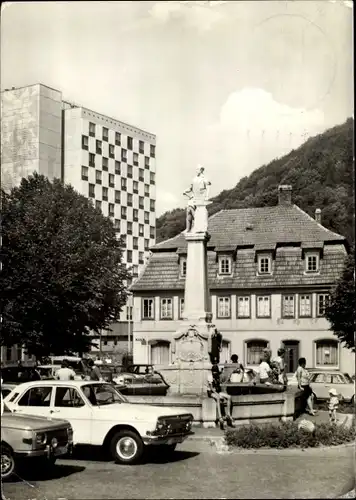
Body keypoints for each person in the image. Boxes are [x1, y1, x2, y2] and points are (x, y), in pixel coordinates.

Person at [207, 365, 234, 429]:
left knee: (229, 397)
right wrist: (217, 394)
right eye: (214, 372)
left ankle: (228, 415)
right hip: (211, 392)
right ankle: (220, 417)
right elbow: (211, 388)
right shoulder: (210, 377)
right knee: (218, 398)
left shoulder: (218, 376)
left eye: (216, 372)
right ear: (212, 372)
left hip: (217, 391)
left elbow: (221, 385)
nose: (215, 373)